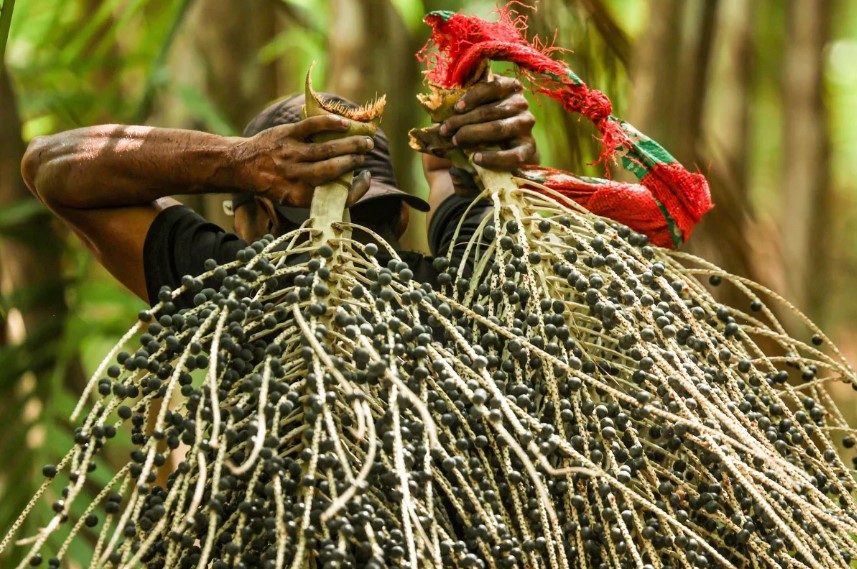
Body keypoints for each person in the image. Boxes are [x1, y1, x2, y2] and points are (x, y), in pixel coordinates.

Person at [21, 76, 537, 304]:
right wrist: (481, 137)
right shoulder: (470, 291)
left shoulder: (238, 293)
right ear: (401, 218)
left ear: (260, 219)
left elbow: (50, 166)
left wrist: (239, 164)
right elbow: (449, 177)